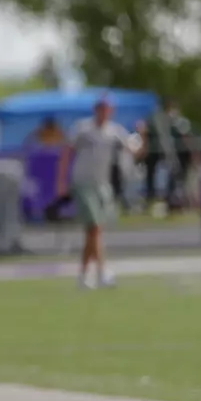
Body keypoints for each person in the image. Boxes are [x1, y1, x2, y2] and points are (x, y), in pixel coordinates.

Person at [59, 94, 135, 290]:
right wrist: (61, 181)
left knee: (94, 231)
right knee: (94, 227)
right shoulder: (83, 129)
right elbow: (67, 152)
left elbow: (133, 149)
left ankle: (85, 275)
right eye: (101, 108)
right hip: (84, 183)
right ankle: (102, 271)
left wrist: (141, 134)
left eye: (107, 108)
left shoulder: (114, 131)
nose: (104, 112)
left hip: (103, 184)